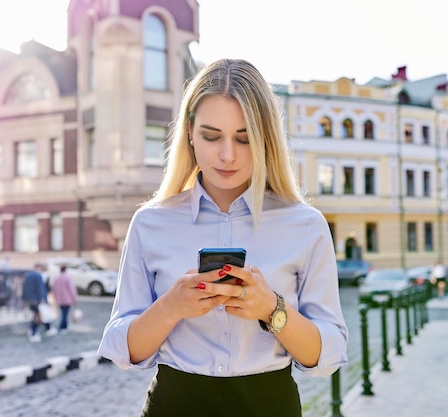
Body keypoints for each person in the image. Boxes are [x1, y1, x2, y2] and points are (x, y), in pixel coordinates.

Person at [97, 58, 348, 416]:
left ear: (266, 139)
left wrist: (270, 309)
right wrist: (171, 307)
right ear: (189, 132)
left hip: (270, 405)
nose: (226, 155)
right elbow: (124, 352)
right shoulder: (150, 223)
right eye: (211, 136)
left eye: (244, 139)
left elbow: (327, 356)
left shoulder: (305, 225)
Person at [22, 262, 48, 342]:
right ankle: (33, 332)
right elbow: (40, 288)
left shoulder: (27, 275)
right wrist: (42, 299)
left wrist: (23, 299)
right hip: (36, 299)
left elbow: (24, 288)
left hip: (29, 299)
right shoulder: (38, 276)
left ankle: (32, 330)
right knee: (38, 316)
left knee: (36, 315)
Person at [51, 265, 78, 333]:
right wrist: (74, 296)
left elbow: (54, 289)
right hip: (67, 299)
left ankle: (64, 326)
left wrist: (55, 297)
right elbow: (71, 288)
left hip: (59, 299)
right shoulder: (67, 278)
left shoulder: (57, 278)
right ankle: (63, 327)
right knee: (65, 314)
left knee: (63, 313)